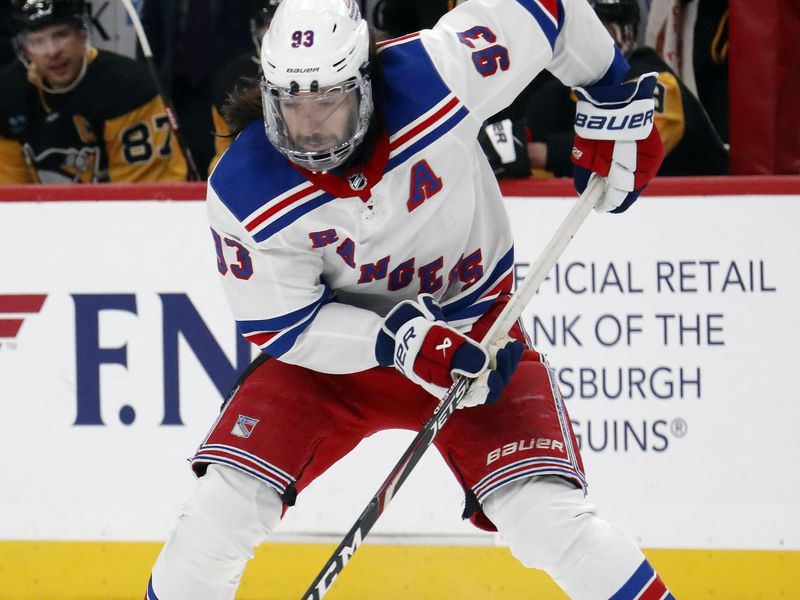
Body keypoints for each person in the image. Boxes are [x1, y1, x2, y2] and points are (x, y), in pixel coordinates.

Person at [146, 0, 673, 598]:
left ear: (365, 84)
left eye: (327, 102)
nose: (309, 126)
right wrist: (398, 340)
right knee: (216, 518)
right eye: (291, 105)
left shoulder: (440, 75)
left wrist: (609, 93)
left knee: (550, 524)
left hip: (478, 345)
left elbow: (545, 10)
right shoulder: (245, 190)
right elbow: (285, 328)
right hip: (334, 367)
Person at [480, 0, 728, 179]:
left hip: (707, 226)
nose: (585, 41)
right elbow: (522, 159)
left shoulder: (651, 77)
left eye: (601, 29)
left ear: (628, 34)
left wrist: (541, 153)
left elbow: (634, 144)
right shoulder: (550, 97)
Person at [0, 0, 187, 184]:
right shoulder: (9, 93)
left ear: (82, 34)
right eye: (38, 41)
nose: (52, 51)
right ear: (25, 50)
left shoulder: (128, 88)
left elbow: (144, 196)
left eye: (61, 35)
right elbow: (11, 191)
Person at [138, 0, 255, 178]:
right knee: (181, 160)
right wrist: (149, 83)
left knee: (220, 159)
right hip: (177, 87)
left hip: (229, 88)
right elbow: (150, 28)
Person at [208, 0, 281, 174]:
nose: (273, 32)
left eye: (280, 23)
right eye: (267, 24)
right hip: (254, 172)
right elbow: (223, 154)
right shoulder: (231, 79)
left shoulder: (330, 73)